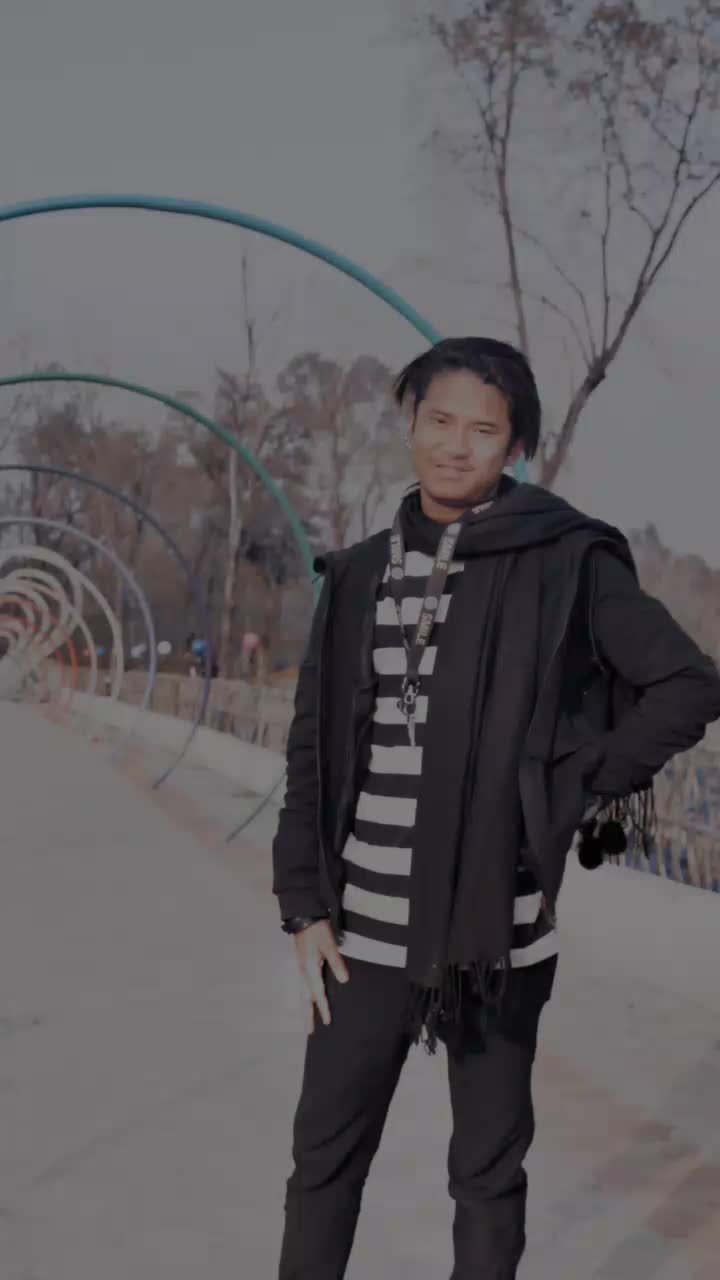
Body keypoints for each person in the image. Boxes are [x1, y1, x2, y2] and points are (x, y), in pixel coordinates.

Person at [272, 336, 720, 1279]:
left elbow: (688, 682)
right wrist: (303, 905)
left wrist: (576, 780)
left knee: (486, 1175)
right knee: (323, 1166)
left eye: (483, 430)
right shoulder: (358, 576)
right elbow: (312, 749)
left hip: (498, 938)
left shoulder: (565, 560)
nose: (455, 445)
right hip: (361, 935)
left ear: (514, 446)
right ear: (411, 423)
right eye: (439, 421)